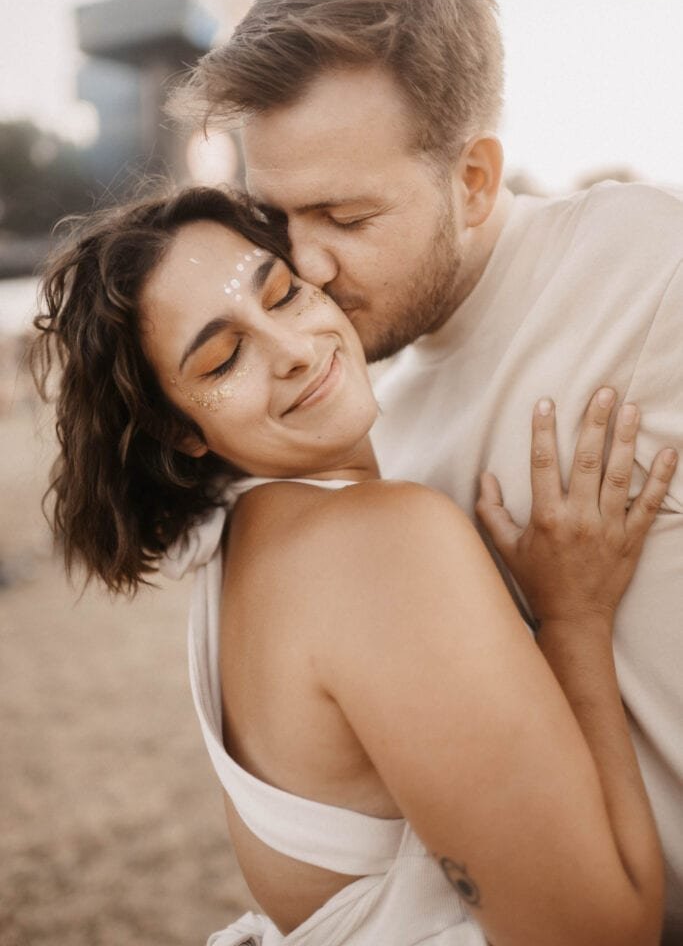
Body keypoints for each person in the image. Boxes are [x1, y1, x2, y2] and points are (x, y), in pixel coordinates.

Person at [168, 0, 683, 939]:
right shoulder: (367, 420)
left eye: (345, 215)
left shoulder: (642, 269)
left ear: (476, 179)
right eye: (274, 219)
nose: (304, 265)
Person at [33, 185, 675, 946]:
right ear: (183, 432)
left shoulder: (245, 549)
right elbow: (594, 932)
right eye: (223, 357)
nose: (295, 349)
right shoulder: (375, 546)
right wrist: (575, 620)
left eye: (283, 295)